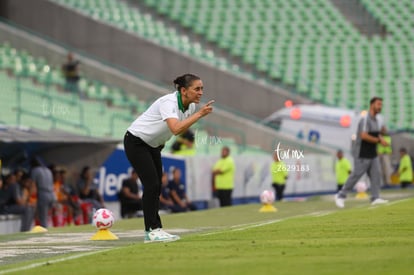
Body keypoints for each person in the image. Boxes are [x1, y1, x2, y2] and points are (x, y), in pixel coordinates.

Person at [123, 73, 214, 243]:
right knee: (152, 184)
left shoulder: (191, 107)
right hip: (136, 141)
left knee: (157, 186)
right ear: (184, 90)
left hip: (154, 146)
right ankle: (151, 230)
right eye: (197, 89)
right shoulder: (169, 102)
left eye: (202, 89)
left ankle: (155, 229)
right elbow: (175, 129)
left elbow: (175, 129)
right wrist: (200, 114)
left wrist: (161, 142)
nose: (201, 92)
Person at [335, 97, 389, 208]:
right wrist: (379, 140)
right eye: (378, 104)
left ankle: (375, 197)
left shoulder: (377, 120)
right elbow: (363, 135)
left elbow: (376, 134)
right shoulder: (365, 119)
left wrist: (382, 135)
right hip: (362, 153)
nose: (380, 107)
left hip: (372, 152)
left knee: (376, 175)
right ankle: (341, 195)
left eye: (381, 104)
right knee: (356, 175)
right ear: (372, 105)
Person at [30, 157, 55, 228]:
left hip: (43, 194)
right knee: (47, 216)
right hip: (51, 194)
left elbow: (33, 186)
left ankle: (45, 234)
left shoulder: (35, 170)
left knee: (43, 218)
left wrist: (30, 197)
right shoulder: (48, 170)